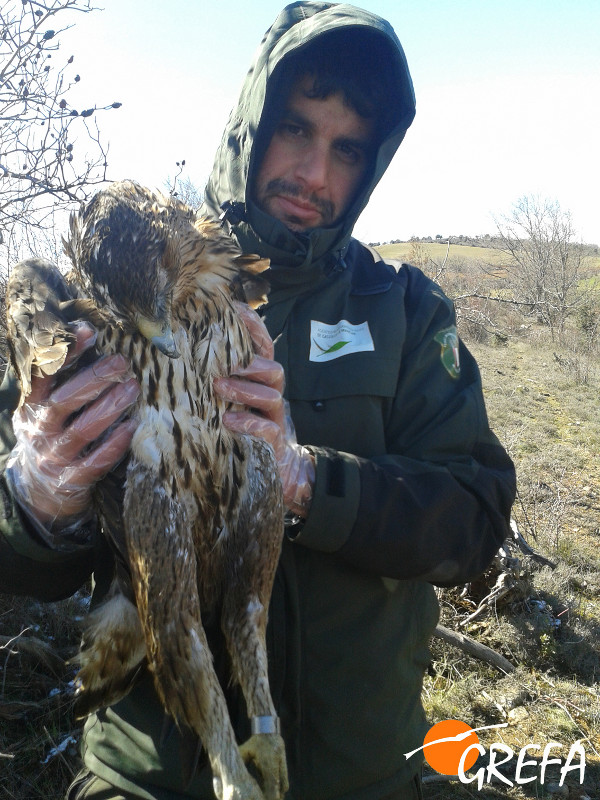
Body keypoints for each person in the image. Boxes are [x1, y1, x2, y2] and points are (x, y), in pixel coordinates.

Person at [0, 2, 516, 799]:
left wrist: (309, 483)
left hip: (368, 776)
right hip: (150, 779)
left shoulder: (406, 311)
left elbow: (474, 520)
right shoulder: (105, 287)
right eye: (297, 129)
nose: (316, 174)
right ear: (250, 126)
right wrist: (35, 497)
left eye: (347, 149)